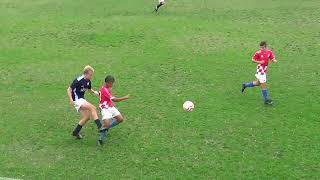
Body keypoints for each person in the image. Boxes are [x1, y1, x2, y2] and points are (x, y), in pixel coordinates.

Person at [67, 65, 103, 139]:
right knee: (93, 108)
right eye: (90, 75)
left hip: (81, 100)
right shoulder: (78, 80)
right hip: (77, 100)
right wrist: (71, 100)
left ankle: (76, 132)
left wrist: (95, 92)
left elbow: (89, 89)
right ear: (86, 73)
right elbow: (69, 89)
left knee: (86, 117)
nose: (91, 76)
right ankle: (100, 127)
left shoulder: (88, 81)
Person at [98, 75, 129, 146]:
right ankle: (100, 139)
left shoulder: (106, 88)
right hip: (105, 108)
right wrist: (125, 97)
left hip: (110, 106)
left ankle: (105, 128)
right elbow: (115, 100)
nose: (112, 85)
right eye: (112, 83)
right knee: (107, 124)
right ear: (108, 83)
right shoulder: (104, 90)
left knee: (120, 119)